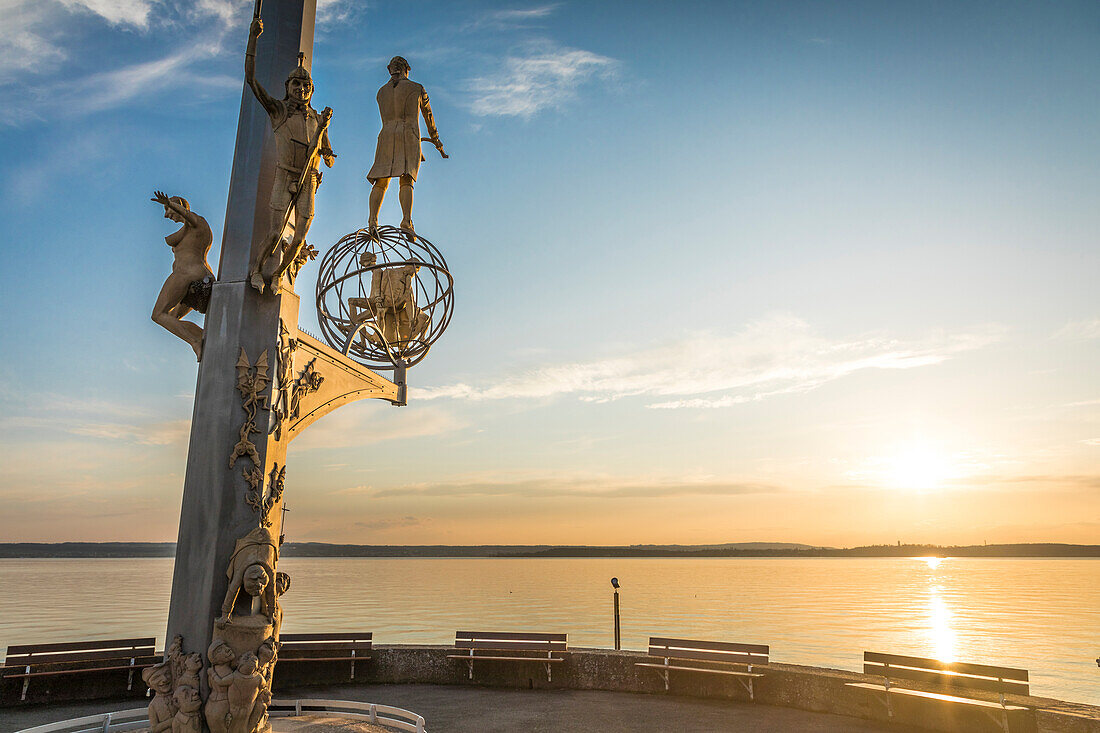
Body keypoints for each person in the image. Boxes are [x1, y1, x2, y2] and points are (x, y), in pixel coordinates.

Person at [245, 17, 336, 293]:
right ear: (288, 87)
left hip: (308, 180)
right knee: (274, 233)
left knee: (298, 239)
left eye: (306, 86)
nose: (301, 89)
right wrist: (253, 39)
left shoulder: (316, 118)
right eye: (296, 84)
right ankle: (257, 271)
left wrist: (327, 153)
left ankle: (279, 275)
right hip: (285, 175)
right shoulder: (279, 110)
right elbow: (251, 79)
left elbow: (326, 151)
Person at [366, 56, 446, 236]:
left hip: (386, 134)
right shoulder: (417, 88)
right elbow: (429, 117)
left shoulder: (381, 92)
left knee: (380, 181)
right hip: (408, 134)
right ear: (407, 69)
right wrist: (436, 139)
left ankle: (373, 220)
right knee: (406, 178)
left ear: (389, 69)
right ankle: (406, 220)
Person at [150, 191, 214, 361]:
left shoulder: (197, 223)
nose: (166, 215)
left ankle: (195, 341)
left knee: (158, 314)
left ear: (178, 205)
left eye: (167, 209)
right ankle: (205, 337)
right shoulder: (189, 231)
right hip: (202, 278)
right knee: (172, 318)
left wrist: (170, 204)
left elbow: (188, 215)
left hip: (186, 275)